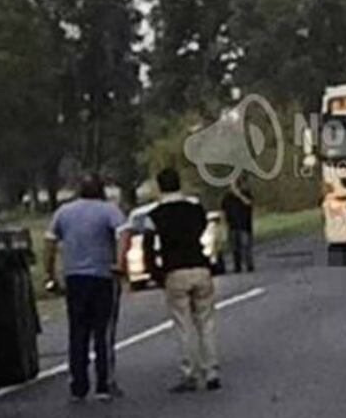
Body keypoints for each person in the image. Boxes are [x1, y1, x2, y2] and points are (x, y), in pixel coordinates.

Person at [130, 168, 221, 392]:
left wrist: (156, 274)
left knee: (183, 324)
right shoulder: (195, 210)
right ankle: (211, 371)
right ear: (179, 183)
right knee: (206, 322)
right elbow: (203, 231)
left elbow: (148, 247)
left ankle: (189, 373)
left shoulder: (156, 216)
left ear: (160, 187)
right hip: (199, 266)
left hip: (175, 270)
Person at [45, 174, 129, 403]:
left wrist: (50, 274)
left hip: (75, 278)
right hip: (102, 276)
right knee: (103, 332)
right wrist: (119, 263)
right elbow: (123, 234)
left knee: (78, 331)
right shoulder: (109, 211)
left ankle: (78, 386)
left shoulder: (64, 212)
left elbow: (50, 241)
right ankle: (104, 383)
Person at [221, 177, 255, 273]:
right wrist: (223, 226)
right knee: (235, 248)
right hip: (232, 226)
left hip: (244, 225)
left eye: (234, 185)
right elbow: (223, 211)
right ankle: (237, 266)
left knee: (245, 246)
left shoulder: (245, 194)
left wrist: (239, 195)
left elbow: (249, 203)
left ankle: (249, 265)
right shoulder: (227, 198)